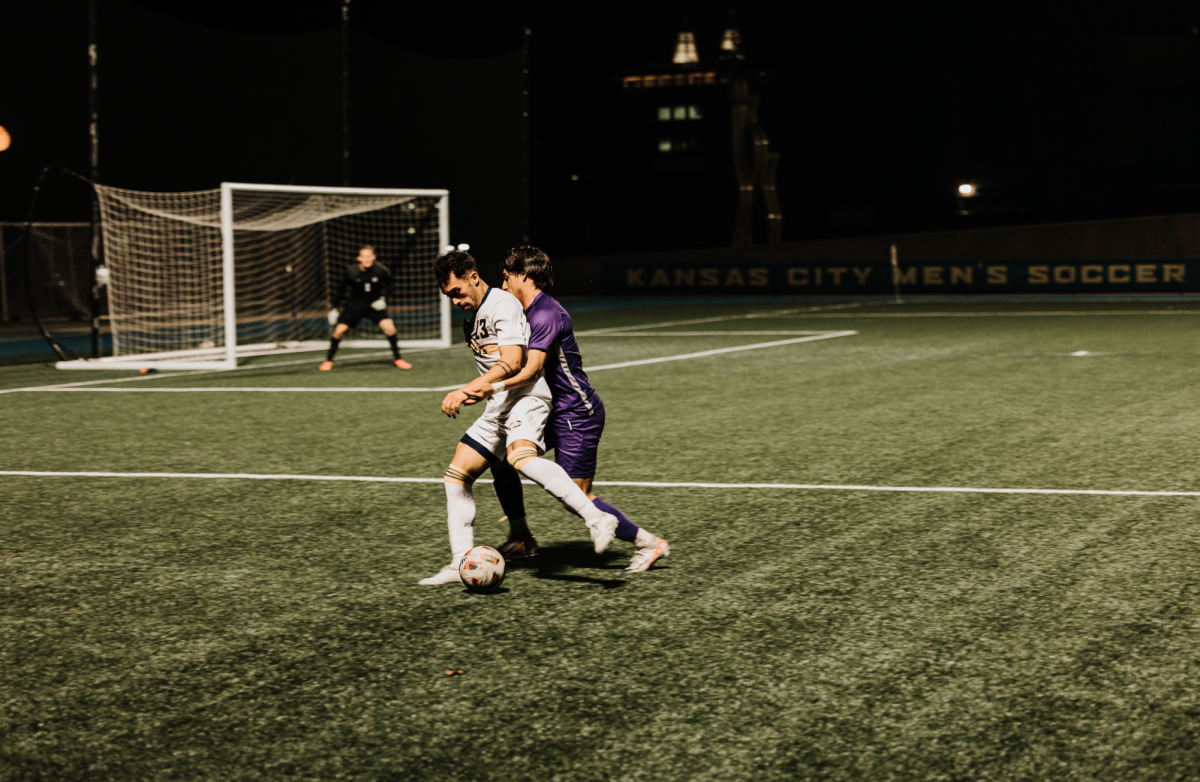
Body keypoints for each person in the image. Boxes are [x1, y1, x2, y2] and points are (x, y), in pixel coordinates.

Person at [460, 246, 670, 573]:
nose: (502, 286)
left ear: (523, 276)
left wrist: (490, 386)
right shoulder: (524, 312)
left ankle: (648, 542)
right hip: (545, 409)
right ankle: (521, 537)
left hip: (575, 413)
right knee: (499, 459)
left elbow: (530, 371)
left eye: (506, 278)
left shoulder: (545, 313)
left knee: (577, 496)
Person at [419, 250, 619, 586]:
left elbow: (513, 361)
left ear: (472, 274)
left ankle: (597, 519)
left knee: (519, 458)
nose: (454, 300)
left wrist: (469, 388)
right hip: (500, 403)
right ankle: (458, 564)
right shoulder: (479, 311)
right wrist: (485, 391)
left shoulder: (502, 304)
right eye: (447, 296)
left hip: (527, 397)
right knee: (457, 475)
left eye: (456, 292)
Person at [319, 244, 412, 370]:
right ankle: (328, 361)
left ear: (374, 257)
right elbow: (341, 290)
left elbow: (390, 285)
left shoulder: (381, 270)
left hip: (374, 305)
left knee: (390, 329)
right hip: (354, 305)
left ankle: (398, 359)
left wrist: (384, 299)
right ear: (359, 258)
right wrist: (334, 308)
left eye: (369, 256)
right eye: (364, 257)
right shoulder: (351, 272)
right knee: (338, 332)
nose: (367, 259)